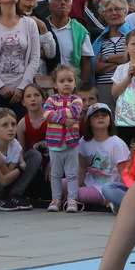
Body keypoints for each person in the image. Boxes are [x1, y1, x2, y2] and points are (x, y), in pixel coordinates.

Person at [42, 64, 86, 212]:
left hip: (71, 144)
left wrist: (55, 114)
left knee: (72, 174)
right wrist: (64, 120)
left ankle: (72, 200)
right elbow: (46, 113)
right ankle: (56, 199)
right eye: (62, 81)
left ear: (75, 83)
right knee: (55, 174)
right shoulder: (51, 99)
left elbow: (74, 112)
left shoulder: (77, 100)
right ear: (55, 84)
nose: (66, 84)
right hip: (54, 144)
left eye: (70, 80)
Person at [77, 103, 131, 212]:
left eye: (104, 115)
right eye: (96, 116)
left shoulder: (117, 144)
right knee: (62, 186)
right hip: (89, 181)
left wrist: (113, 196)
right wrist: (77, 185)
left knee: (76, 194)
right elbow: (82, 167)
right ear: (89, 121)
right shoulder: (84, 141)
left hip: (106, 187)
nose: (100, 117)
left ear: (110, 120)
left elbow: (125, 173)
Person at [40, 0, 92, 81]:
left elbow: (86, 63)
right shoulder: (41, 27)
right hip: (44, 82)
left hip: (70, 85)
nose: (63, 2)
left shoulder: (80, 31)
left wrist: (83, 86)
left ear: (70, 7)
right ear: (50, 6)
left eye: (66, 0)